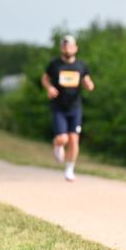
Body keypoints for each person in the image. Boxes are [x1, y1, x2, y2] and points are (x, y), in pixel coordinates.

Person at [41, 35, 94, 182]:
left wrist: (89, 85)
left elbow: (87, 79)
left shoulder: (81, 65)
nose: (67, 48)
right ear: (61, 48)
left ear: (76, 48)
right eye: (65, 46)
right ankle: (57, 145)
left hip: (75, 107)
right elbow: (45, 78)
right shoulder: (55, 65)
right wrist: (49, 87)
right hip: (59, 107)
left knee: (74, 139)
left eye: (70, 46)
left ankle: (70, 169)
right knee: (62, 138)